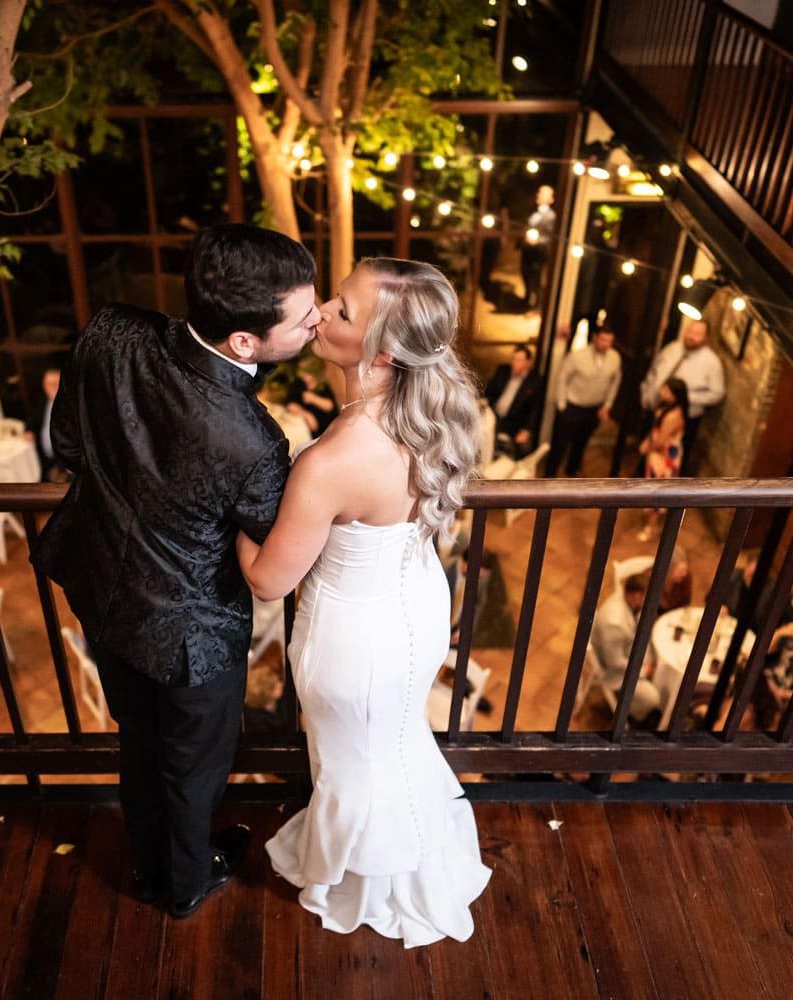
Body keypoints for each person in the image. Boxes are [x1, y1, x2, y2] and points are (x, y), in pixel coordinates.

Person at [31, 223, 320, 919]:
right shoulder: (255, 439)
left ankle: (147, 865)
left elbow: (68, 442)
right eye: (303, 315)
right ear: (245, 343)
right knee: (193, 769)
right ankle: (187, 883)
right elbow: (268, 545)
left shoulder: (111, 331)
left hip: (100, 590)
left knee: (138, 740)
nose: (318, 318)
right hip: (193, 634)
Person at [236, 258, 491, 948]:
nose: (319, 313)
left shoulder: (334, 461)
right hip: (413, 606)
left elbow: (267, 581)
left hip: (354, 637)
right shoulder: (422, 418)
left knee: (354, 762)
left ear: (381, 350)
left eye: (341, 311)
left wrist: (228, 508)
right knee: (395, 743)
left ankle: (367, 879)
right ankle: (399, 860)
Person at [638, 319, 724, 475]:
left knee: (664, 463)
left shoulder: (712, 363)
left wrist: (683, 398)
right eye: (690, 331)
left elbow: (717, 394)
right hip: (658, 410)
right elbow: (654, 371)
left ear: (705, 338)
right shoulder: (672, 348)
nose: (691, 336)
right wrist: (646, 392)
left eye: (697, 334)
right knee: (647, 456)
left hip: (682, 419)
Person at [544, 329, 622, 477]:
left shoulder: (615, 358)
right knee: (560, 445)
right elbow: (563, 378)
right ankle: (549, 475)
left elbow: (615, 382)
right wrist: (562, 405)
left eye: (609, 341)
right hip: (572, 407)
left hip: (594, 408)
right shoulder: (577, 356)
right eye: (603, 340)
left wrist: (607, 405)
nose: (606, 344)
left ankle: (572, 470)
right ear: (595, 338)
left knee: (581, 443)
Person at [590, 573, 662, 727]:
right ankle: (637, 716)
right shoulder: (614, 624)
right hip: (614, 673)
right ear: (635, 596)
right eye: (646, 596)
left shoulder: (626, 600)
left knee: (659, 657)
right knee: (653, 698)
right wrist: (643, 671)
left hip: (627, 650)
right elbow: (614, 663)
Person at [637, 377, 688, 540]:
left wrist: (647, 447)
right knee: (652, 487)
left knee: (657, 492)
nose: (662, 392)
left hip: (664, 456)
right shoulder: (666, 408)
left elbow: (661, 440)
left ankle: (651, 527)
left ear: (675, 396)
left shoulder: (673, 416)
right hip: (658, 452)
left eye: (666, 390)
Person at [482, 345, 543, 458]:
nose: (514, 363)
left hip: (514, 423)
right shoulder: (503, 371)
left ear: (528, 363)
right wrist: (483, 406)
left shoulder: (535, 382)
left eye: (519, 360)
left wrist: (526, 431)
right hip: (494, 415)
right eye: (513, 359)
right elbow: (488, 392)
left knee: (523, 446)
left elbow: (535, 410)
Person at [26, 366, 68, 483]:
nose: (53, 388)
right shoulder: (40, 400)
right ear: (44, 385)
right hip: (41, 454)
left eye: (56, 384)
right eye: (49, 384)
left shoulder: (72, 406)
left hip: (61, 460)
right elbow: (31, 418)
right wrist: (28, 430)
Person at [285, 351, 338, 439]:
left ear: (314, 372)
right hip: (306, 430)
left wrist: (314, 399)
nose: (301, 374)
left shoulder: (322, 386)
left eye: (305, 372)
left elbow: (330, 406)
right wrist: (306, 415)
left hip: (326, 431)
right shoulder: (298, 384)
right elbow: (290, 405)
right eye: (300, 371)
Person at [520, 184, 556, 312]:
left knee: (536, 277)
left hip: (538, 252)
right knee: (525, 274)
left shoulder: (551, 216)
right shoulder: (533, 212)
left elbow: (550, 236)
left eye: (543, 193)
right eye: (539, 192)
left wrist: (537, 241)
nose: (539, 195)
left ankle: (536, 305)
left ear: (551, 199)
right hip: (528, 249)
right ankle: (527, 300)